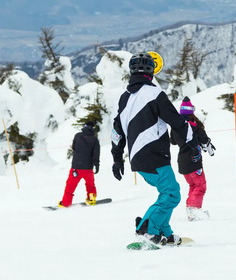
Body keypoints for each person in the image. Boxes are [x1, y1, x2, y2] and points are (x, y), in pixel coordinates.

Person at [111, 52, 201, 245]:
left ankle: (164, 232)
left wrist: (117, 158)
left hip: (137, 158)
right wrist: (191, 143)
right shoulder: (154, 94)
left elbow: (116, 130)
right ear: (151, 72)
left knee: (166, 192)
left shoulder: (124, 98)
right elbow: (177, 121)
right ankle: (148, 229)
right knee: (171, 193)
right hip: (154, 155)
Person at [171, 97, 215, 220]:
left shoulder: (177, 127)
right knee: (200, 186)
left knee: (193, 186)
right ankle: (193, 210)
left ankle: (192, 210)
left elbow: (173, 142)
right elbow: (205, 140)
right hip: (194, 160)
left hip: (182, 162)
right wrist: (208, 148)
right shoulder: (194, 126)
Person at [59, 120, 100, 208]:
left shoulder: (77, 136)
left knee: (70, 186)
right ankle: (91, 199)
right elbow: (96, 154)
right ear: (93, 128)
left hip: (76, 167)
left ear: (85, 126)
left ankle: (66, 203)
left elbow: (74, 147)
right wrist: (96, 165)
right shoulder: (95, 139)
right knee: (90, 185)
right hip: (88, 168)